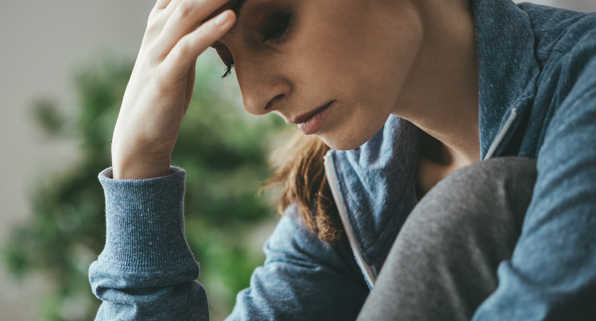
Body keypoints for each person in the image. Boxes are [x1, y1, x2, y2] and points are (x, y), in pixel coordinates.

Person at [88, 0, 596, 319]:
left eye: (276, 25)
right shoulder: (348, 182)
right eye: (227, 63)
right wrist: (140, 167)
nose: (254, 99)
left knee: (478, 200)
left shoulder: (584, 81)